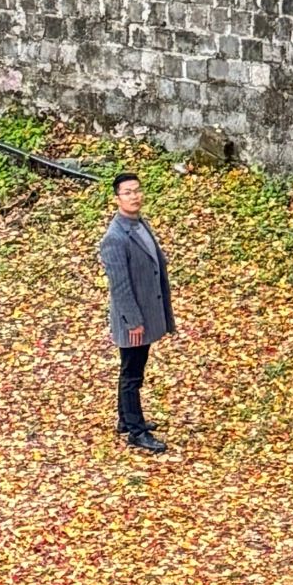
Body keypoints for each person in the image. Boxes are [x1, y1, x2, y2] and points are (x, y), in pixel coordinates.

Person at [98, 171, 176, 452]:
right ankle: (135, 429)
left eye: (137, 190)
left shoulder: (139, 224)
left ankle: (125, 418)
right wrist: (133, 320)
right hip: (132, 319)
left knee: (132, 370)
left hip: (144, 313)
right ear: (117, 198)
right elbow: (120, 285)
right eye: (128, 192)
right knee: (132, 374)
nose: (134, 196)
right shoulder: (115, 237)